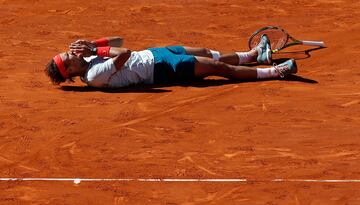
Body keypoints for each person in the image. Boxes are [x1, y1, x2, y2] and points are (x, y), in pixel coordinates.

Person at [44, 35, 297, 88]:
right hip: (163, 70)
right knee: (220, 69)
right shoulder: (94, 76)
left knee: (209, 53)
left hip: (156, 53)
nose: (74, 54)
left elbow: (119, 40)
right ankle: (275, 72)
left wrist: (93, 44)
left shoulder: (88, 57)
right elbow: (125, 53)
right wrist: (96, 51)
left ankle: (254, 56)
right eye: (70, 58)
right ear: (70, 72)